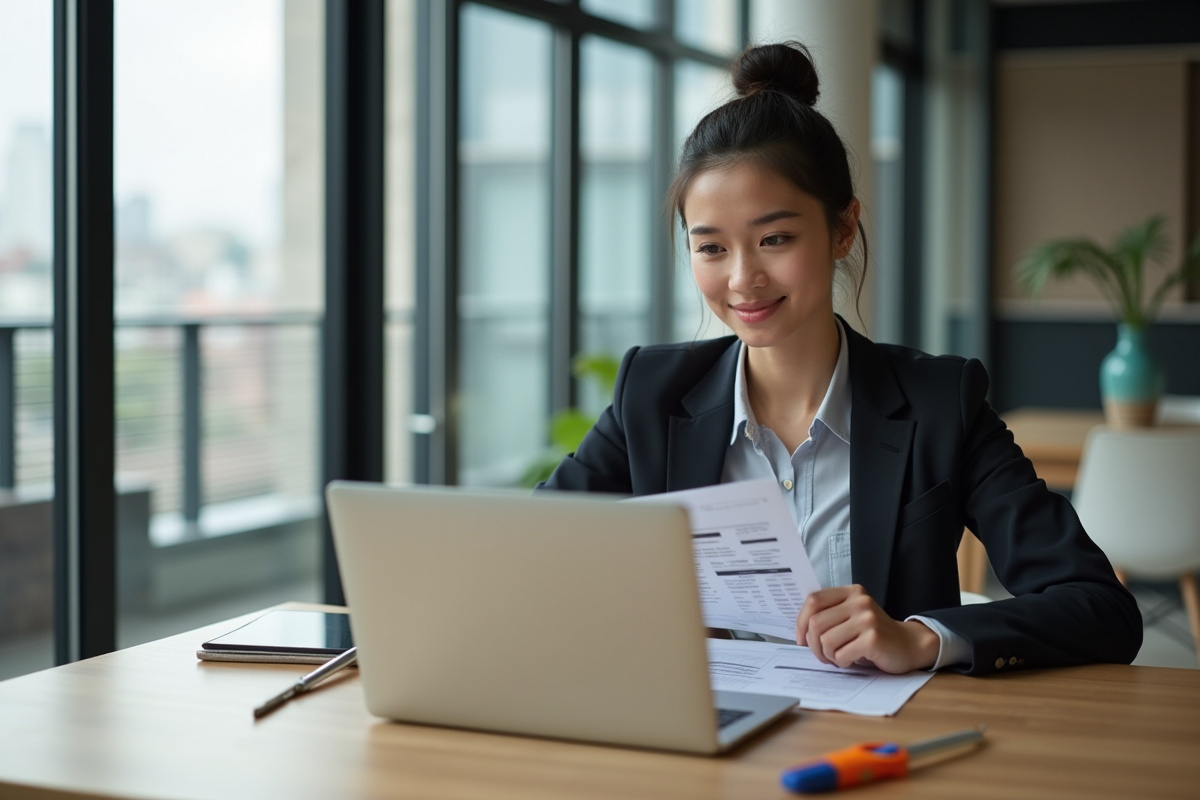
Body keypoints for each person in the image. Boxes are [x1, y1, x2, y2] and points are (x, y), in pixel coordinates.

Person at [538, 41, 1141, 676]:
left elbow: (1100, 607)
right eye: (711, 248)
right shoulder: (653, 392)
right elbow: (531, 550)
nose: (743, 278)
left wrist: (922, 638)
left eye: (775, 239)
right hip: (701, 735)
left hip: (874, 747)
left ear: (842, 229)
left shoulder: (941, 403)